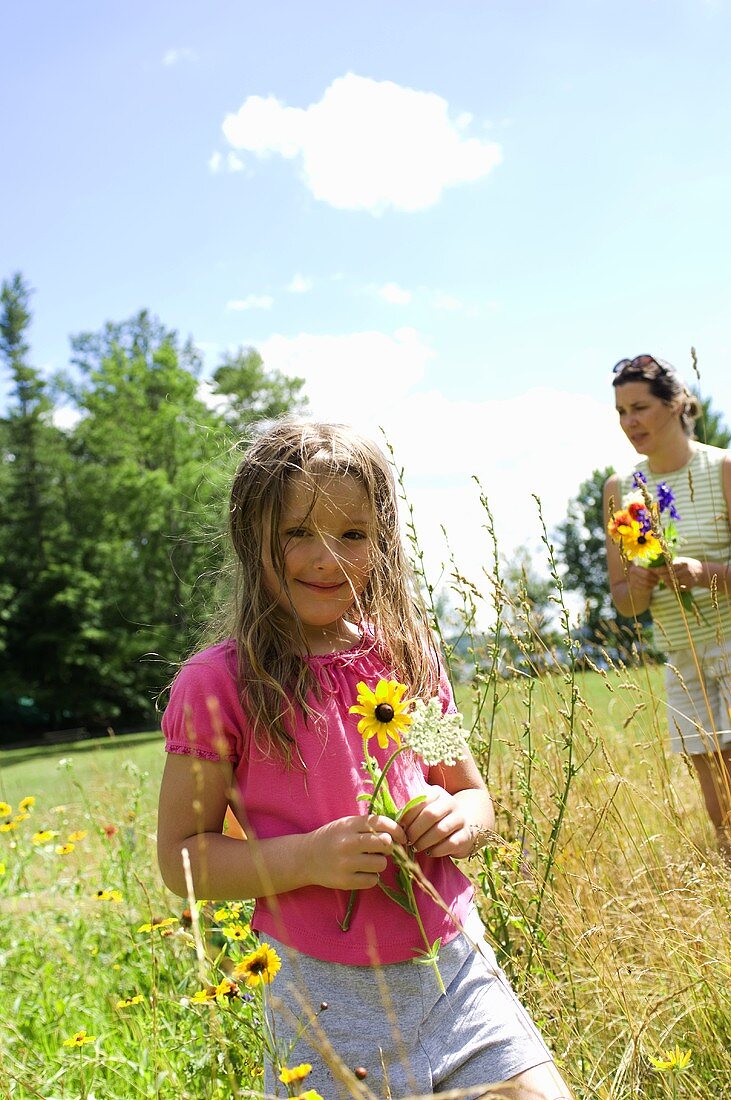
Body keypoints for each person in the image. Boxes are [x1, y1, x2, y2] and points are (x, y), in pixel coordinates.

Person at [157, 420, 572, 1099]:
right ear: (248, 535)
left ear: (383, 542)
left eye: (352, 534)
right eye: (297, 533)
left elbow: (469, 793)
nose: (326, 557)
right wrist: (307, 858)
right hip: (325, 994)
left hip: (454, 965)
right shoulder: (218, 685)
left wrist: (457, 821)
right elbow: (181, 860)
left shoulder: (406, 654)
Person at [605, 355, 731, 858]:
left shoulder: (721, 469)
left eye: (639, 407)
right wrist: (638, 581)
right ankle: (726, 860)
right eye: (620, 412)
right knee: (708, 760)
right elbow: (626, 603)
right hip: (682, 653)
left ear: (676, 405)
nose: (629, 422)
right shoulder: (621, 489)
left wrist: (707, 574)